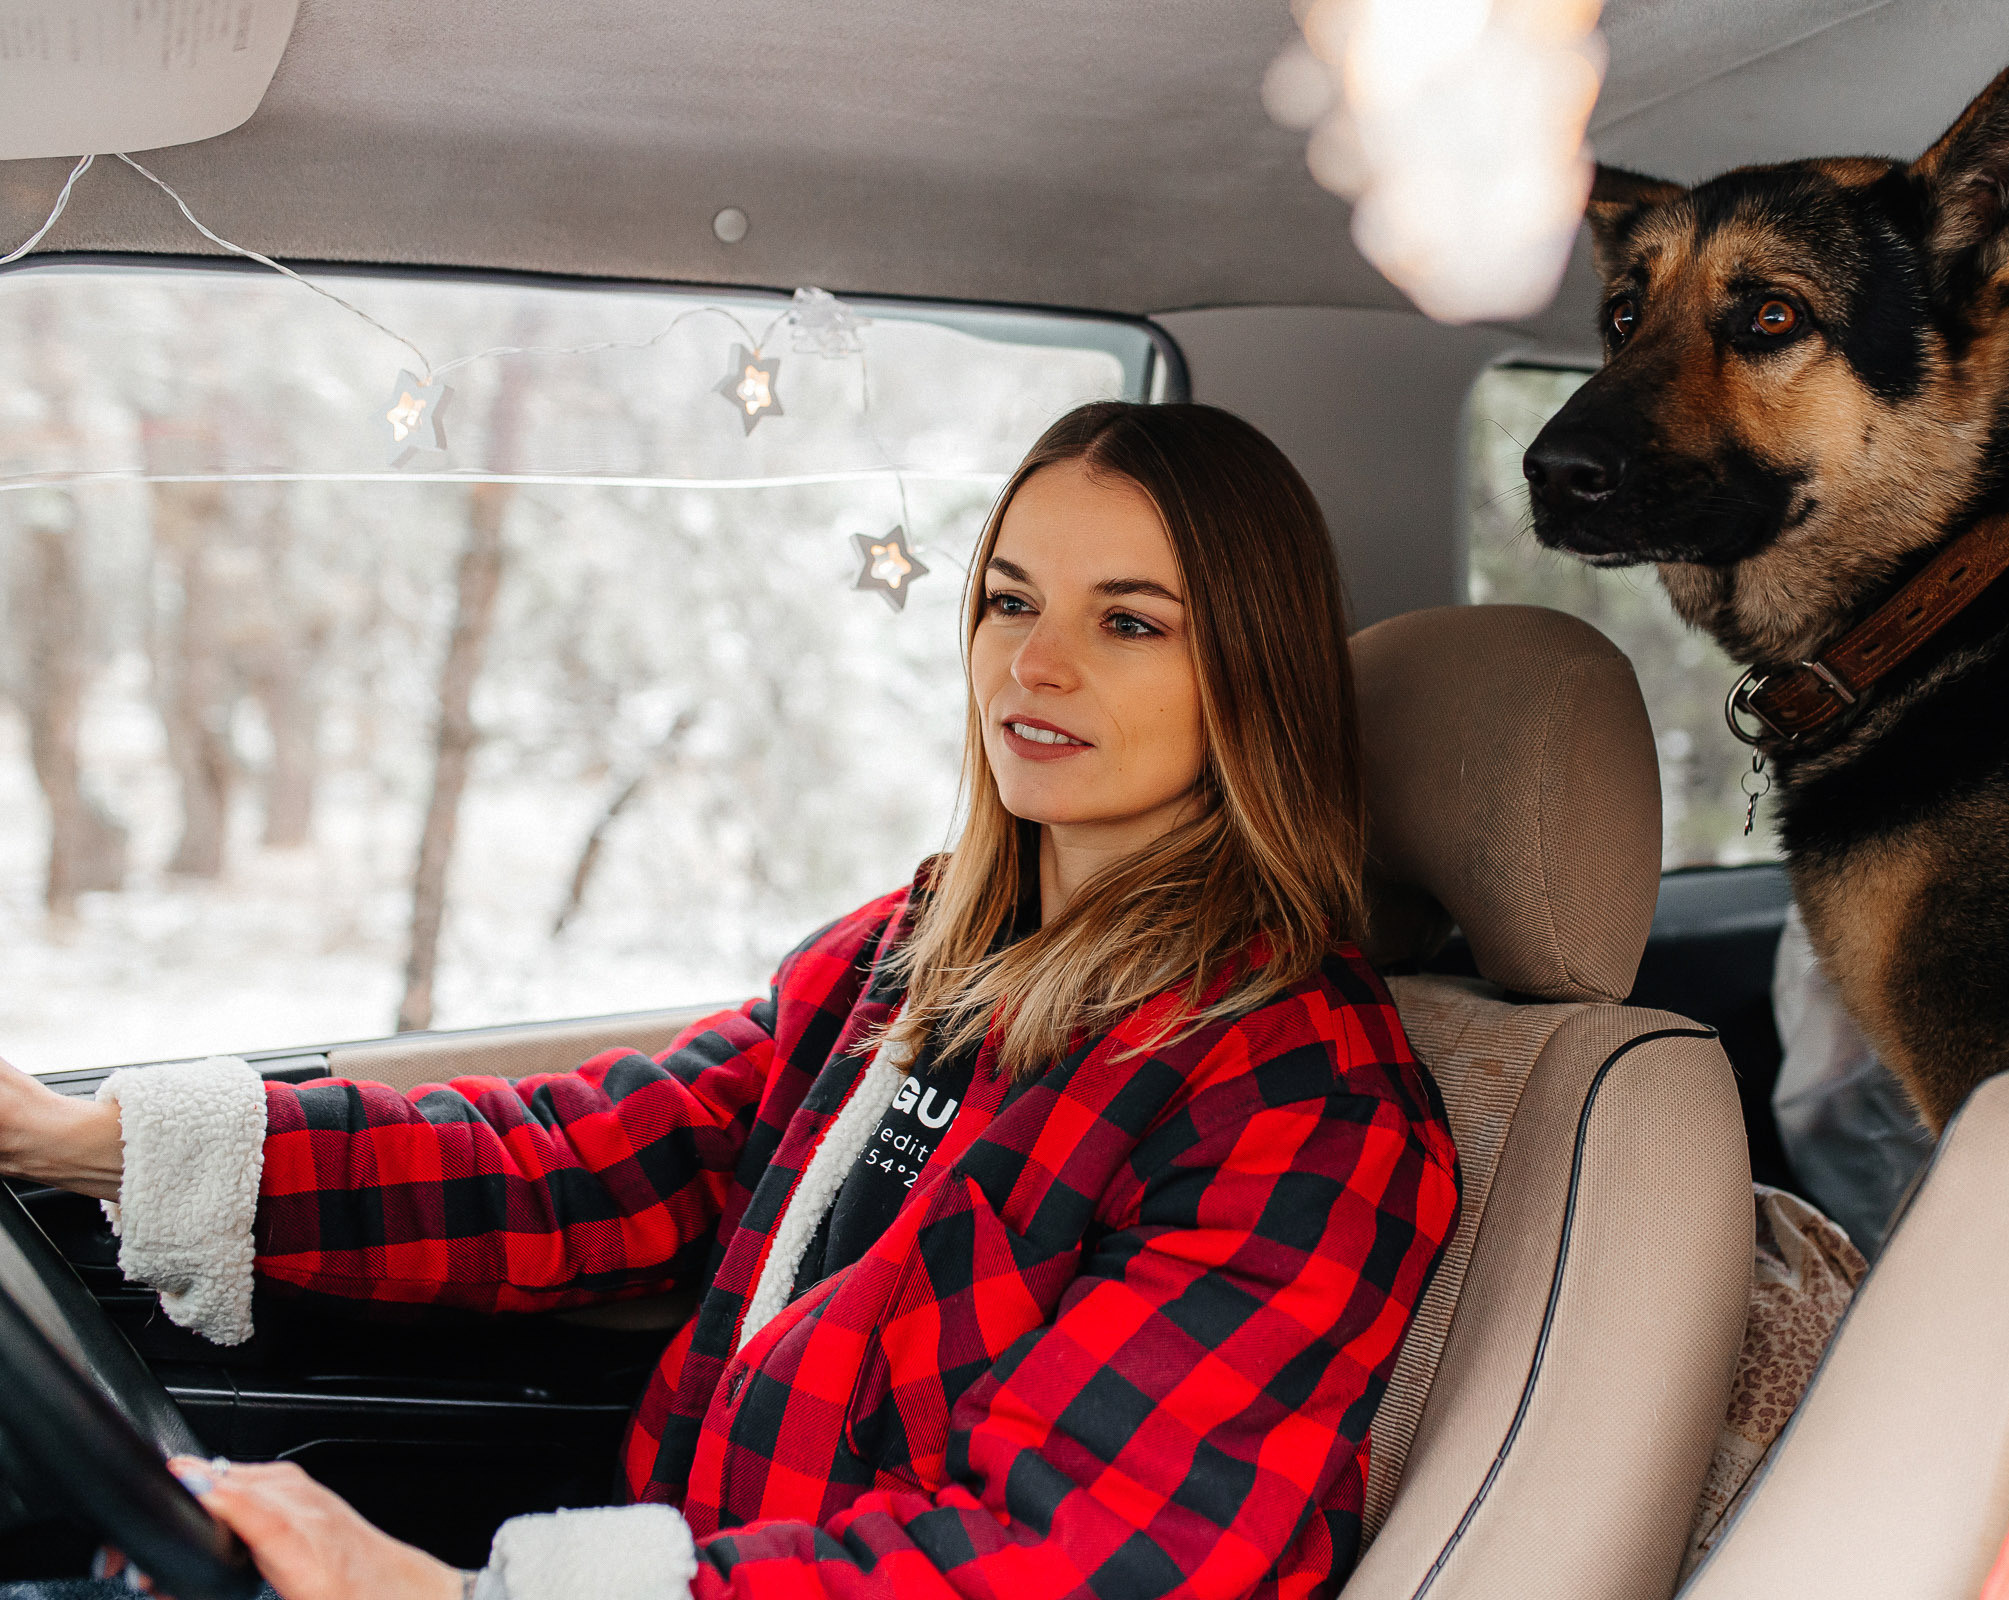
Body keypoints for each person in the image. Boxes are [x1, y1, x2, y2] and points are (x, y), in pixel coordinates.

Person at [0, 401, 1459, 1600]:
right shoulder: (913, 954)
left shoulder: (1295, 1098)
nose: (1035, 662)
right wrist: (82, 1139)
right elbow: (576, 1163)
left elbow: (1065, 1563)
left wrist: (450, 1598)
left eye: (1130, 622)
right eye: (1008, 600)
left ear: (1252, 675)